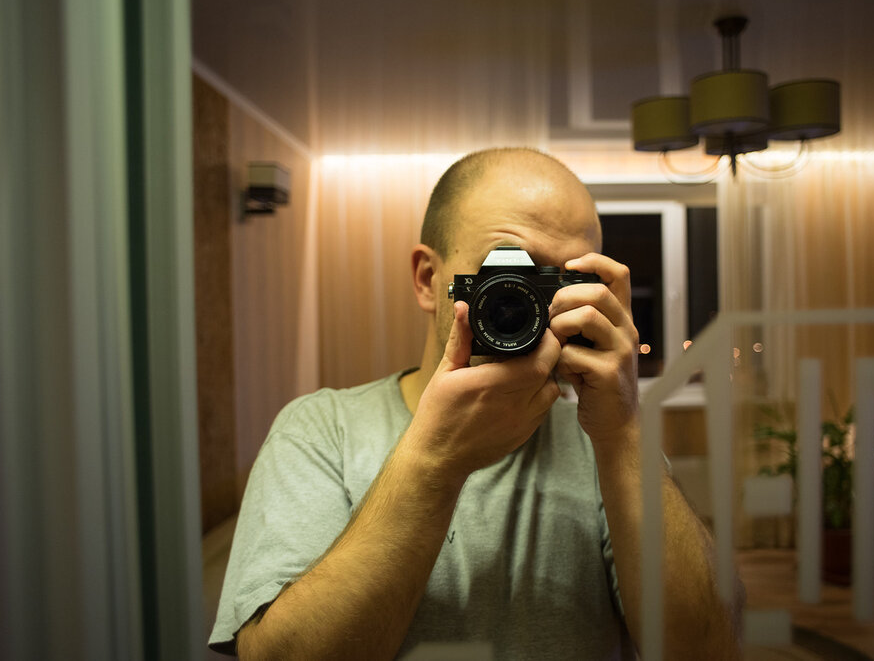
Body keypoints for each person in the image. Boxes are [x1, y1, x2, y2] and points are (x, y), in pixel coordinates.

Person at [209, 147, 741, 659]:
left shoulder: (604, 436)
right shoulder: (321, 430)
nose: (532, 303)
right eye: (506, 275)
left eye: (560, 280)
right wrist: (435, 460)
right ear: (428, 280)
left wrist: (623, 433)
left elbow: (710, 652)